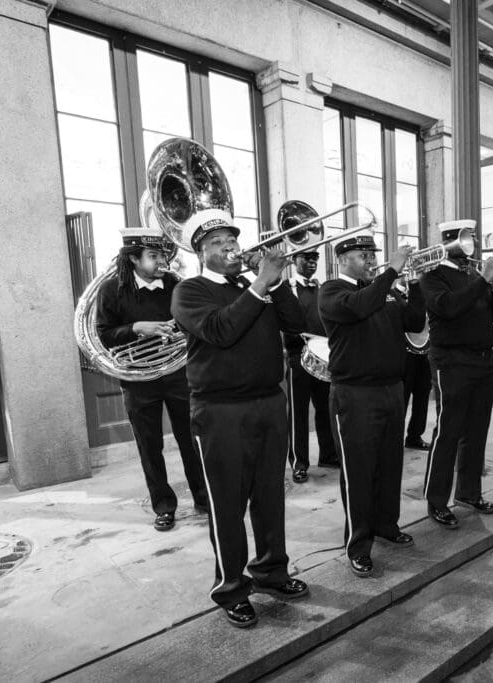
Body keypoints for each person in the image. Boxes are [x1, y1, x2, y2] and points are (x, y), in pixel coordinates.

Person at [171, 211, 308, 629]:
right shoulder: (189, 291)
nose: (229, 246)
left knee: (270, 497)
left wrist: (277, 281)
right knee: (227, 505)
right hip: (219, 412)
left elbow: (297, 324)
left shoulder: (255, 286)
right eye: (217, 242)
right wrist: (261, 283)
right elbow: (222, 330)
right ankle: (231, 588)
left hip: (268, 402)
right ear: (199, 252)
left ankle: (271, 572)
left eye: (232, 238)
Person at [318, 232, 426, 578]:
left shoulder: (387, 288)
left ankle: (386, 525)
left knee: (389, 464)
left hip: (391, 389)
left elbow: (413, 323)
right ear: (342, 259)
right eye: (362, 254)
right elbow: (361, 306)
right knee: (359, 471)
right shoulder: (333, 291)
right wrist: (391, 272)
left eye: (371, 253)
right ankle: (359, 544)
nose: (369, 258)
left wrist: (418, 284)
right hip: (354, 394)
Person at [96, 227, 208, 532]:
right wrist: (136, 328)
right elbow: (104, 336)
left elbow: (193, 322)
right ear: (134, 258)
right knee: (149, 446)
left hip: (178, 374)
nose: (161, 261)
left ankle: (203, 497)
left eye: (163, 254)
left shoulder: (174, 283)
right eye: (153, 255)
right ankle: (164, 506)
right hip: (137, 379)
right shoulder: (112, 290)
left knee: (192, 439)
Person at [420, 219, 493, 529]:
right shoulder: (431, 276)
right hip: (452, 363)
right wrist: (483, 281)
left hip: (484, 363)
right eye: (465, 239)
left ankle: (469, 492)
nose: (470, 245)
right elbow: (449, 308)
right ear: (450, 242)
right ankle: (436, 500)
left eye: (471, 238)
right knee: (448, 432)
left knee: (477, 431)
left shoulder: (474, 276)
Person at [286, 248, 338, 483]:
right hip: (299, 357)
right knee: (298, 414)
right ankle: (299, 463)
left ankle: (328, 454)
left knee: (326, 409)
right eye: (305, 258)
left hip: (323, 357)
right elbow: (285, 323)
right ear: (294, 260)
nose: (310, 262)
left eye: (314, 258)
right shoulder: (287, 289)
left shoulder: (321, 288)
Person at [398, 276, 433, 450]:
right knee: (401, 398)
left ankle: (414, 436)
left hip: (425, 351)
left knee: (422, 397)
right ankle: (395, 439)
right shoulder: (395, 295)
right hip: (405, 355)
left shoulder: (424, 293)